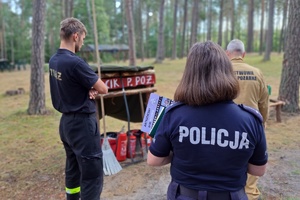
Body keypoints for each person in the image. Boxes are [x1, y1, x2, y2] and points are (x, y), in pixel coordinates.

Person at [147, 41, 268, 200]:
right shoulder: (250, 120)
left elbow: (154, 160)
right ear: (226, 71)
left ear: (189, 74)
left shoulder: (173, 115)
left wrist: (177, 151)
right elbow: (258, 170)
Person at [49, 17, 108, 200]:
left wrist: (88, 87)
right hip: (82, 125)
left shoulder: (54, 61)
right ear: (75, 36)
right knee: (92, 176)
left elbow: (71, 84)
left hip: (66, 125)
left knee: (73, 170)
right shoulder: (75, 62)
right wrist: (92, 87)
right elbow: (103, 88)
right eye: (82, 38)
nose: (82, 42)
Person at [226, 39, 269, 200]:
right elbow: (264, 102)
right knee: (251, 159)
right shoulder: (257, 73)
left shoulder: (223, 71)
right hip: (250, 126)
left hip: (225, 126)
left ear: (226, 54)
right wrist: (262, 124)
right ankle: (249, 193)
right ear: (243, 54)